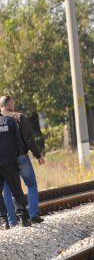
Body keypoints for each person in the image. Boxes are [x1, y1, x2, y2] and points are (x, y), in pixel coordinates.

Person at [0, 95, 43, 226]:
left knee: (7, 190)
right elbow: (28, 138)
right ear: (9, 104)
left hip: (5, 160)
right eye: (12, 102)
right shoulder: (18, 117)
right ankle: (33, 215)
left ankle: (12, 221)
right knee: (30, 184)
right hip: (20, 156)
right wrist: (38, 155)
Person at [0, 110, 31, 229]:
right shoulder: (10, 122)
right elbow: (18, 143)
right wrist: (17, 158)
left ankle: (3, 221)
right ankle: (24, 218)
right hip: (10, 162)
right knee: (16, 190)